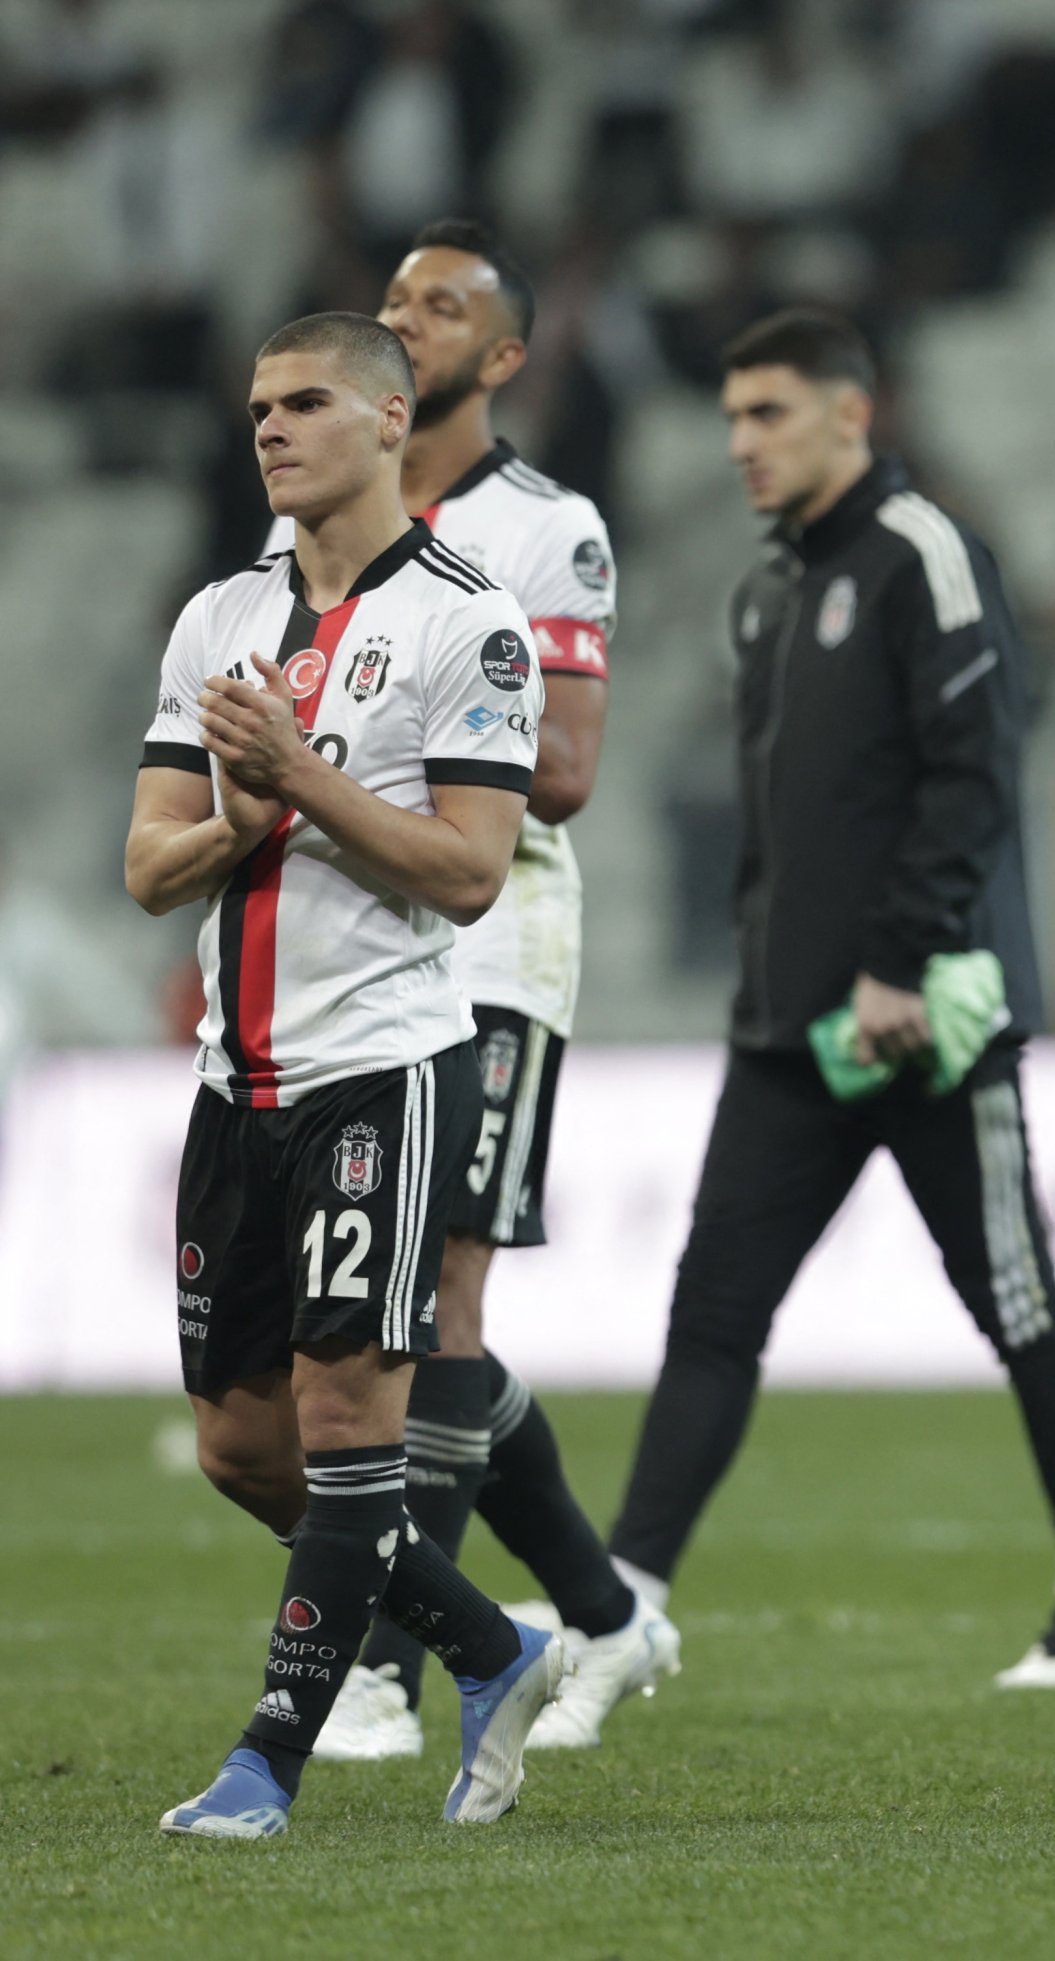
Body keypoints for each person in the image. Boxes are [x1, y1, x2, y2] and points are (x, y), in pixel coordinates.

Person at [604, 309, 1055, 1690]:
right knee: (712, 1314)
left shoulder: (926, 556)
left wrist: (903, 958)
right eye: (731, 419)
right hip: (788, 1032)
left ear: (853, 413)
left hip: (921, 1020)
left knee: (1013, 1298)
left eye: (768, 414)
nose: (741, 444)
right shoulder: (768, 590)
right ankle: (617, 1611)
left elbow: (976, 775)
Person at [130, 311, 565, 1835]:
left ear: (391, 420)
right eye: (259, 405)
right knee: (241, 1449)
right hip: (230, 1083)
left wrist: (299, 777)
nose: (271, 427)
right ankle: (492, 1643)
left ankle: (267, 1761)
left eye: (305, 401)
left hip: (384, 1071)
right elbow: (146, 867)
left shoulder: (471, 622)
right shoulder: (215, 620)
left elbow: (468, 873)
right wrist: (246, 822)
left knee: (341, 1424)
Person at [265, 220, 675, 1763]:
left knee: (432, 1314)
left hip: (491, 948)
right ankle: (605, 1610)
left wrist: (342, 762)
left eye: (442, 309)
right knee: (367, 1330)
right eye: (392, 302)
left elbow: (559, 771)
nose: (407, 324)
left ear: (503, 356)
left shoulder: (542, 527)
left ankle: (385, 1668)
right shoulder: (318, 530)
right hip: (346, 956)